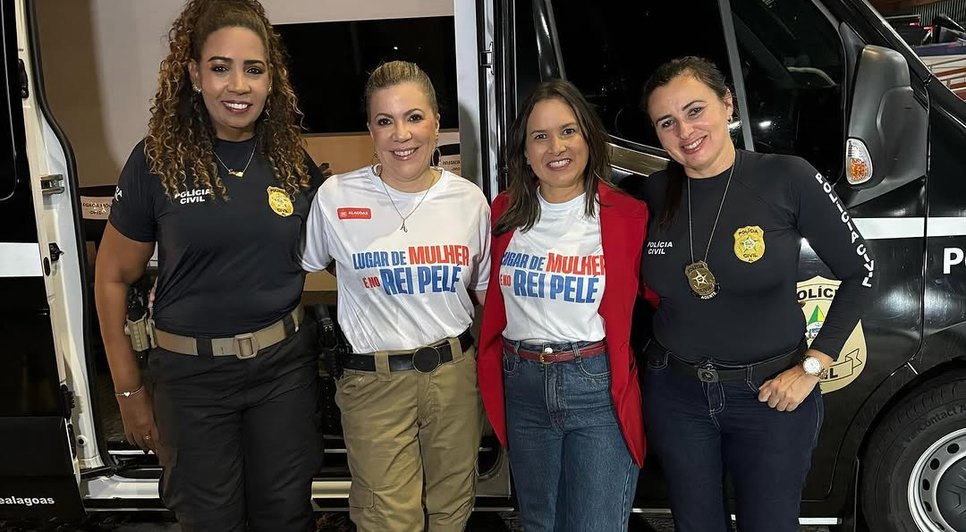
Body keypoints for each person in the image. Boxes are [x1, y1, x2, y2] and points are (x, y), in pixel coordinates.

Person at [94, 1, 324, 530]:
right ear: (195, 75)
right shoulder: (156, 162)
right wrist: (128, 391)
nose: (238, 85)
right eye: (221, 68)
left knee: (286, 517)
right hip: (191, 380)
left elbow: (340, 249)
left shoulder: (291, 160)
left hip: (283, 372)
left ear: (271, 81)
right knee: (210, 521)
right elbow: (112, 276)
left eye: (253, 69)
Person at [639, 56, 875, 532]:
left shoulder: (787, 177)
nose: (685, 131)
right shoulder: (651, 193)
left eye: (694, 110)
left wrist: (812, 367)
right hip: (676, 395)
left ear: (727, 104)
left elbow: (861, 273)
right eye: (667, 122)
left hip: (770, 397)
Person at [300, 60, 490, 532]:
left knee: (452, 508)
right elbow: (314, 263)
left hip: (453, 376)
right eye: (385, 120)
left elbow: (484, 293)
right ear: (370, 129)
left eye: (414, 117)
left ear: (436, 123)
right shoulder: (336, 197)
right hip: (373, 382)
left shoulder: (469, 201)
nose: (401, 134)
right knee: (388, 520)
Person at [477, 79, 648, 531]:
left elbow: (661, 294)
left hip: (595, 385)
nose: (556, 147)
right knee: (540, 523)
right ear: (525, 151)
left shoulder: (628, 215)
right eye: (541, 136)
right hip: (522, 383)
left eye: (568, 131)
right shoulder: (504, 212)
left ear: (589, 136)